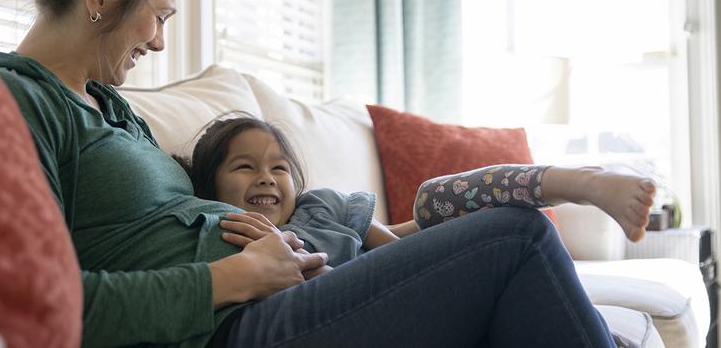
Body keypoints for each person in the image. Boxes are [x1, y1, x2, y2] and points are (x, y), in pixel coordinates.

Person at [0, 0, 656, 346]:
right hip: (235, 327)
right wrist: (237, 277)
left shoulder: (110, 106)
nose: (159, 41)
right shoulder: (17, 99)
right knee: (515, 237)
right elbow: (38, 305)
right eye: (159, 15)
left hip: (291, 290)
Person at [176, 114, 656, 278]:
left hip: (402, 254)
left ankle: (580, 183)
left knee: (434, 199)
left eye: (279, 168)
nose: (266, 179)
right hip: (368, 294)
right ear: (211, 184)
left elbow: (400, 250)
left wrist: (446, 247)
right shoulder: (230, 238)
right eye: (245, 167)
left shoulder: (319, 205)